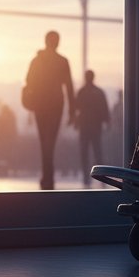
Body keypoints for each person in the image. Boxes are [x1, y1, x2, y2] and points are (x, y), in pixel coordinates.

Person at [25, 31, 75, 190]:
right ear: (57, 43)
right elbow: (69, 86)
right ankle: (49, 174)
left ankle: (46, 174)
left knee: (43, 140)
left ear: (45, 41)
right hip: (56, 104)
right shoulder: (62, 61)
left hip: (40, 104)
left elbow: (29, 81)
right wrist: (72, 110)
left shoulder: (37, 61)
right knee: (50, 140)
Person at [74, 69, 111, 185]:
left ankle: (86, 178)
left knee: (85, 152)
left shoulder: (81, 92)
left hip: (84, 126)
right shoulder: (99, 92)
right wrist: (107, 122)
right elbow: (104, 108)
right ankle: (101, 177)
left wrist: (76, 122)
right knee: (97, 151)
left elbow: (76, 108)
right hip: (95, 126)